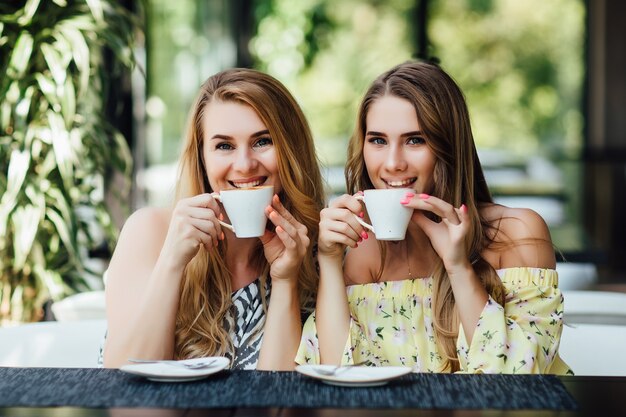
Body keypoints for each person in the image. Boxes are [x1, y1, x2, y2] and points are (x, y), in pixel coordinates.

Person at [296, 61, 571, 374]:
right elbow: (335, 377)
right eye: (378, 140)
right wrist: (329, 260)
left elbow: (519, 381)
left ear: (449, 146)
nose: (392, 163)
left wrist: (457, 266)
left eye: (415, 140)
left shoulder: (517, 233)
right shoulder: (363, 249)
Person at [103, 68, 325, 370]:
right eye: (224, 146)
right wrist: (172, 261)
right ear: (202, 158)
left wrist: (284, 279)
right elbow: (121, 382)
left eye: (262, 141)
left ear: (292, 150)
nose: (245, 164)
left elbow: (279, 396)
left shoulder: (317, 252)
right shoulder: (150, 232)